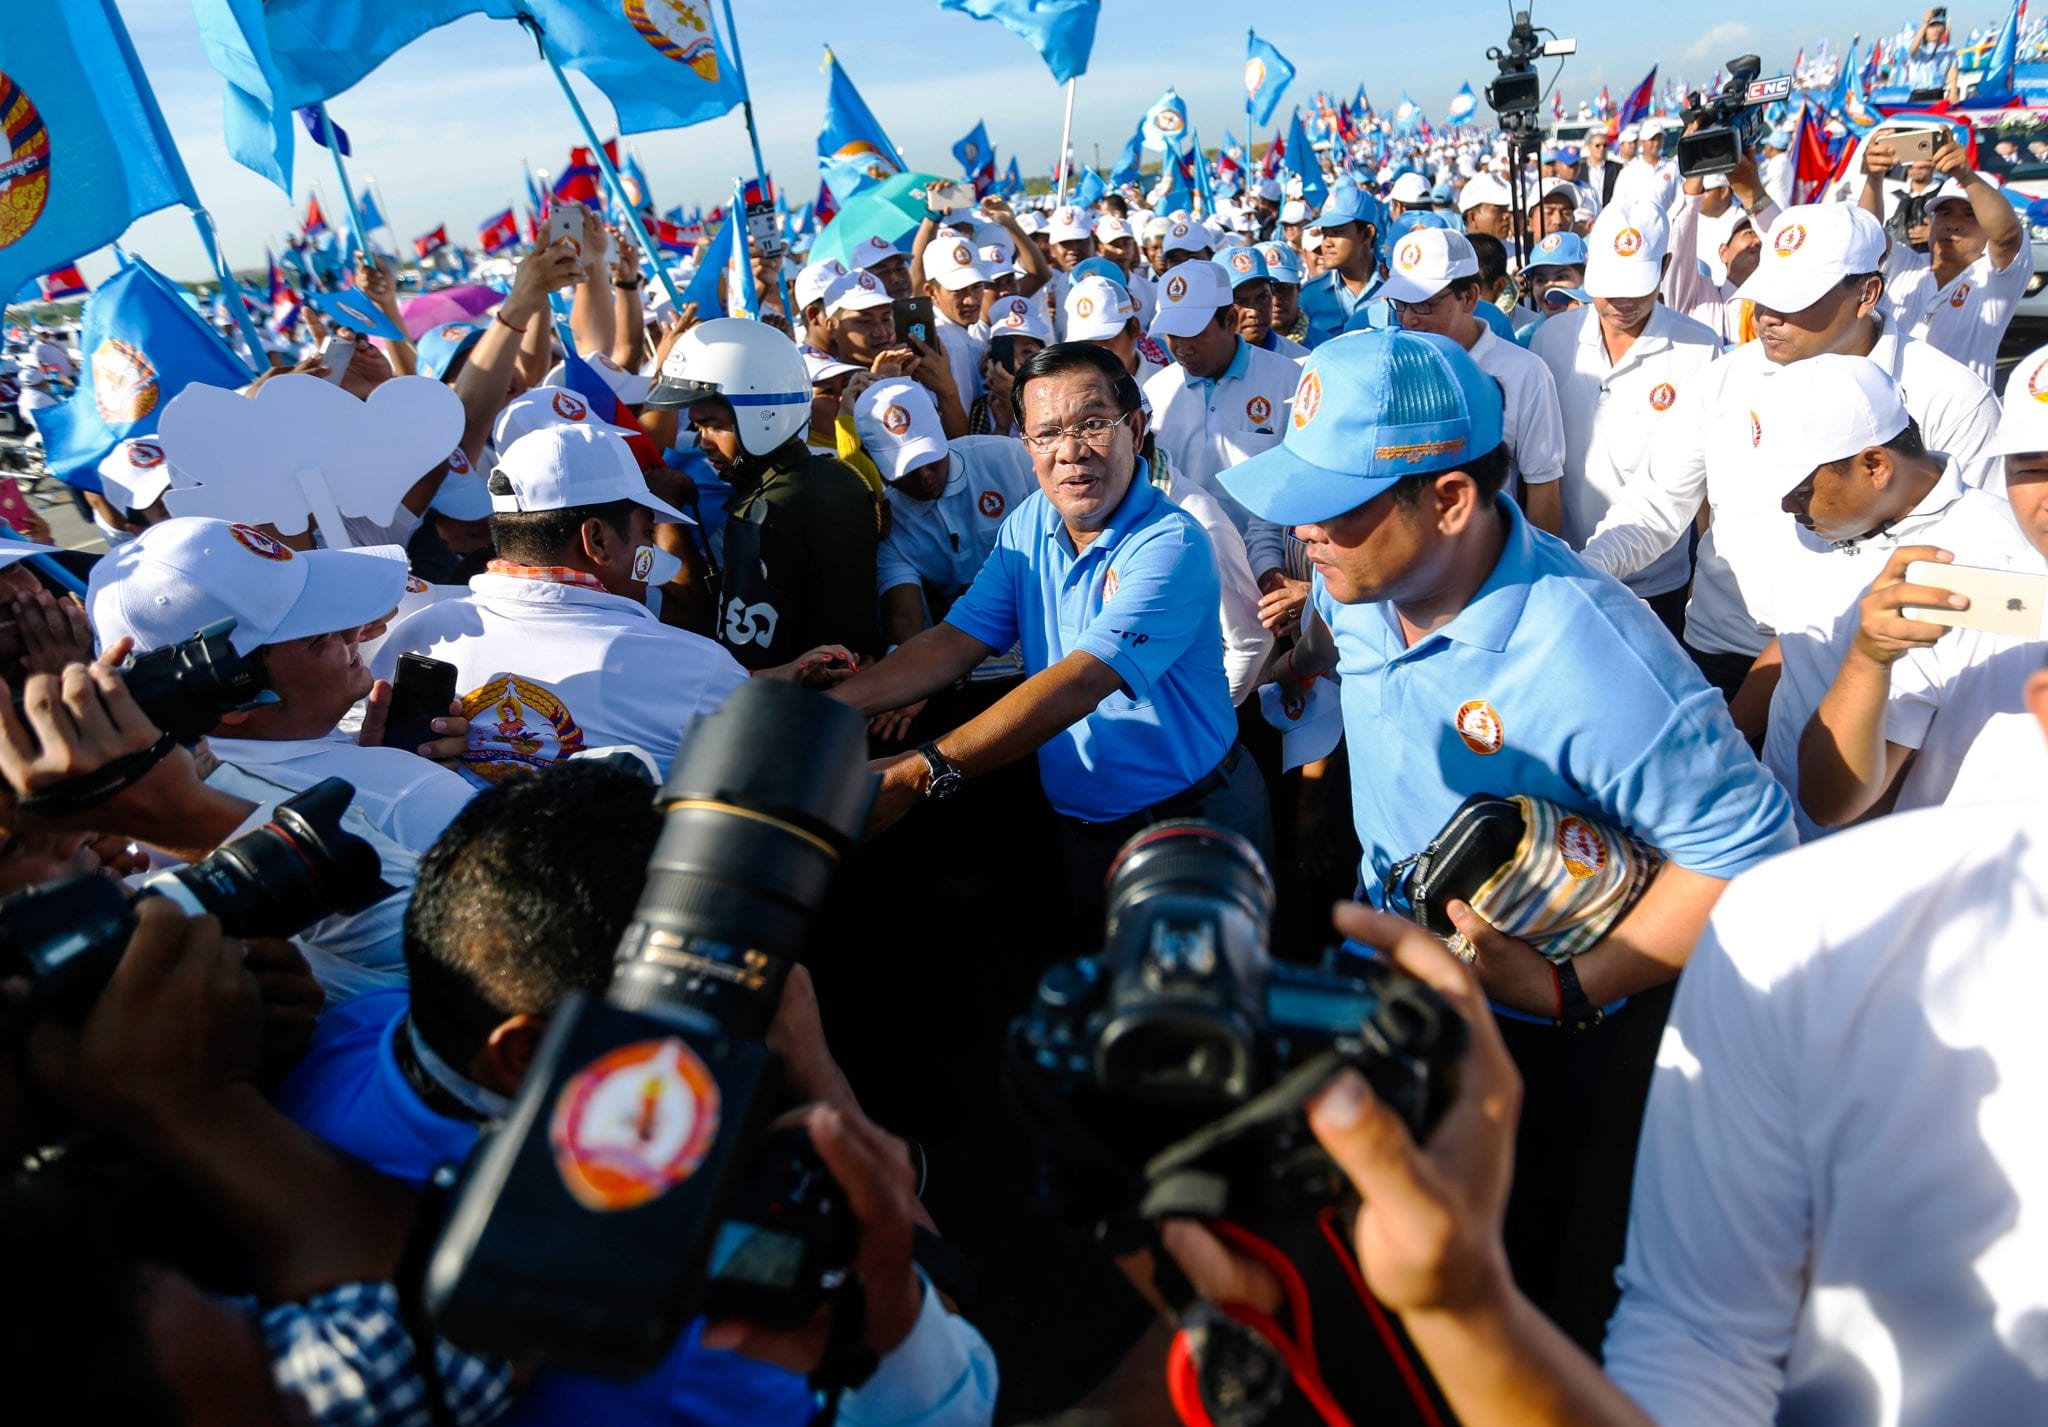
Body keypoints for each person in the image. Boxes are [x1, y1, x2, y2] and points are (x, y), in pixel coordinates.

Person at [1222, 328, 1794, 1313]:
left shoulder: (1595, 661)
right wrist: (1296, 657)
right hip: (1383, 959)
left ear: (1447, 498)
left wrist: (1568, 987)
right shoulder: (1363, 573)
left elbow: (1751, 854)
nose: (1302, 528)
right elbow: (1334, 636)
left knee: (1494, 1265)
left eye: (1331, 502)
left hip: (1521, 1026)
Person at [827, 343, 1269, 922]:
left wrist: (920, 771)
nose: (1070, 451)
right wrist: (830, 706)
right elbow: (955, 640)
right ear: (1026, 446)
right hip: (1084, 822)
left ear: (1136, 428)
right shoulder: (1030, 521)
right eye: (1047, 434)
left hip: (1188, 822)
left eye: (1093, 424)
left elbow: (1081, 682)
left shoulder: (1173, 543)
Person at [1580, 203, 2000, 719]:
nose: (1767, 318)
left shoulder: (1951, 398)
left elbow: (1973, 564)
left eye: (1795, 300)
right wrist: (1585, 570)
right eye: (1764, 297)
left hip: (1872, 672)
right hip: (1719, 653)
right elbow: (1655, 506)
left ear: (1867, 293)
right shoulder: (1724, 379)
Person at [86, 517, 473, 999]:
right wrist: (396, 784)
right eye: (318, 635)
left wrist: (365, 763)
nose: (355, 630)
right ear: (235, 699)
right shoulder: (412, 794)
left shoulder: (98, 825)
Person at [1750, 356, 2036, 836]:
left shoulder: (1983, 567)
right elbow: (1798, 640)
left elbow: (1865, 789)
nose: (1785, 505)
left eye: (1798, 489)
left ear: (1875, 465)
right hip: (1772, 817)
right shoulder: (1819, 519)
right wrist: (1733, 738)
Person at [1531, 202, 1723, 637]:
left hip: (1660, 581)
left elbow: (1707, 479)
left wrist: (1705, 573)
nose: (1621, 302)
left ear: (1665, 267)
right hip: (1566, 570)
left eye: (1636, 287)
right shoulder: (1551, 340)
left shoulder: (1699, 347)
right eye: (1610, 286)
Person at [649, 318, 881, 668]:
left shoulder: (761, 512)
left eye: (714, 426)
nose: (703, 442)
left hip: (802, 692)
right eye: (698, 427)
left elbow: (744, 653)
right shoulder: (840, 475)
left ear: (762, 416)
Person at [1382, 227, 1565, 536]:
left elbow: (1542, 485)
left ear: (1469, 297)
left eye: (1424, 304)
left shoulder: (1525, 372)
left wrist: (1531, 562)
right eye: (1399, 303)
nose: (1408, 319)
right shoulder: (1388, 366)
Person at [1140, 259, 1301, 602]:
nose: (1182, 348)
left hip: (1269, 579)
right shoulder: (1155, 393)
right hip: (1182, 572)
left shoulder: (1289, 382)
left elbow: (1289, 490)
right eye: (1173, 335)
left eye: (1194, 334)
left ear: (1230, 320)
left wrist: (1269, 571)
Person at [1859, 133, 2032, 387]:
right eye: (1945, 213)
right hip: (1888, 407)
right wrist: (1874, 179)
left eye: (1970, 215)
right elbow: (1866, 236)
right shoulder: (1907, 264)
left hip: (1959, 412)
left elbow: (2006, 235)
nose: (1953, 224)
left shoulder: (1996, 279)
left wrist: (1965, 175)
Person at [1662, 155, 1779, 346]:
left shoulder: (1777, 303)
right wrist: (1696, 169)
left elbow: (1784, 242)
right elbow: (1680, 241)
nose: (1758, 241)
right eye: (1749, 233)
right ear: (1724, 252)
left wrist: (1753, 190)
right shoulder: (1695, 297)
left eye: (1761, 237)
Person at [1297, 186, 1384, 347]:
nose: (1327, 243)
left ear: (1367, 233)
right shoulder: (1310, 295)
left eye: (1336, 232)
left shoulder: (1395, 290)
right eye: (1325, 234)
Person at [1219, 244, 1308, 363]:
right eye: (1240, 301)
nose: (1254, 312)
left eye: (1262, 298)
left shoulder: (1301, 361)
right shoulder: (1200, 362)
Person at [1577, 128, 1624, 205]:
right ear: (1590, 147)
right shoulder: (1579, 169)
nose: (1602, 148)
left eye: (1605, 145)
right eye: (1597, 145)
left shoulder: (1617, 168)